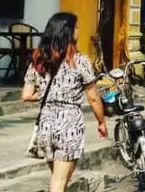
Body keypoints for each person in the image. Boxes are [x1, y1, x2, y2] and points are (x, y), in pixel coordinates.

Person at [21, 13, 107, 192]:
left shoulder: (38, 60)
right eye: (76, 27)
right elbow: (93, 97)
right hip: (69, 125)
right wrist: (101, 121)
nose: (79, 31)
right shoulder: (80, 61)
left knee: (58, 180)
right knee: (59, 183)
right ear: (67, 32)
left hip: (46, 125)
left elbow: (26, 95)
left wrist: (50, 92)